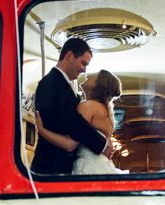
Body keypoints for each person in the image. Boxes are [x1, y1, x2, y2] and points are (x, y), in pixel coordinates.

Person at [31, 37, 111, 175]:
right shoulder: (51, 83)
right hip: (51, 167)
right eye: (83, 63)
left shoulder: (62, 85)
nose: (84, 70)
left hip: (60, 166)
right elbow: (73, 122)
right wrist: (102, 145)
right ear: (69, 56)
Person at [35, 69, 126, 175]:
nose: (88, 75)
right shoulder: (105, 111)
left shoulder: (88, 106)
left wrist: (42, 130)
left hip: (89, 167)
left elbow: (70, 144)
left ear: (98, 84)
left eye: (93, 75)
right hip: (102, 164)